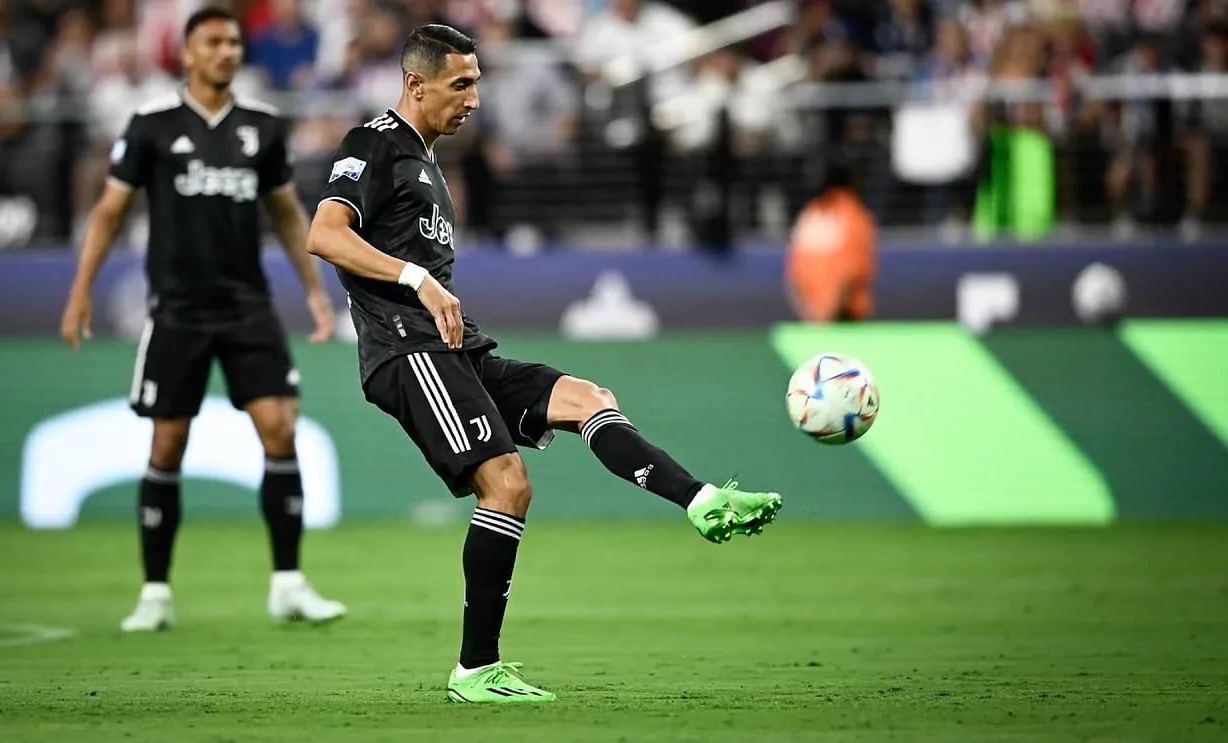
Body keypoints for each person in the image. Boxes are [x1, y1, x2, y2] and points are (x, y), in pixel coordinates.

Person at [306, 24, 782, 705]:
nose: (474, 99)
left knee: (588, 398)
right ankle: (475, 669)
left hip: (454, 349)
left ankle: (702, 500)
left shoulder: (429, 162)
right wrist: (418, 279)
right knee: (506, 483)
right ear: (415, 83)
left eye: (476, 83)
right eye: (460, 85)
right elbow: (324, 233)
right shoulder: (375, 142)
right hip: (406, 349)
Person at [59, 7, 345, 632]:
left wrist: (315, 292)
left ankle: (289, 584)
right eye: (213, 42)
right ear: (187, 54)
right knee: (167, 442)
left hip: (247, 307)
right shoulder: (152, 125)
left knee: (280, 427)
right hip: (178, 311)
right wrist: (80, 292)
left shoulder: (262, 127)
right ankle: (155, 593)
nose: (226, 51)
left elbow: (286, 214)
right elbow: (109, 212)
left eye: (234, 42)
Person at [785, 162, 876, 323]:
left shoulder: (809, 214)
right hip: (843, 319)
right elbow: (852, 270)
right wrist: (827, 314)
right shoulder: (853, 214)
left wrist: (811, 315)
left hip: (816, 319)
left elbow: (795, 275)